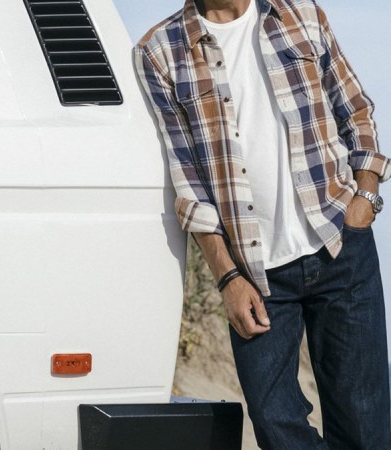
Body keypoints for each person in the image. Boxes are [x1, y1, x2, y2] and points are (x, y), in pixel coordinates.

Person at [135, 0, 391, 448]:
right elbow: (188, 180)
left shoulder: (301, 14)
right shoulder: (159, 51)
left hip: (339, 244)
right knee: (276, 426)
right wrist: (227, 277)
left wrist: (365, 198)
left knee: (364, 426)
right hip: (255, 276)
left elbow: (355, 109)